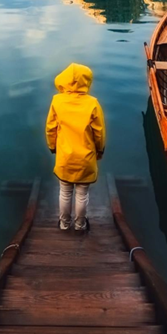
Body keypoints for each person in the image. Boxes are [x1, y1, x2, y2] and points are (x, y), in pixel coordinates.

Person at [45, 63, 106, 232]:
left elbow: (50, 128)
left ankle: (64, 224)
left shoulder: (57, 101)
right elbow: (99, 133)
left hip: (65, 157)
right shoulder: (92, 103)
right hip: (86, 158)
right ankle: (80, 225)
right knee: (82, 194)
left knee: (64, 193)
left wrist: (52, 146)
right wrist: (99, 150)